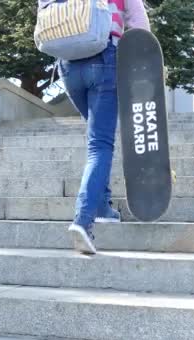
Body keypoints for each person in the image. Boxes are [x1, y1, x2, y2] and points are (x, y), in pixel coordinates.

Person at [44, 0, 151, 254]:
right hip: (105, 57)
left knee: (96, 137)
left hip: (68, 64)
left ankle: (103, 207)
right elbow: (138, 23)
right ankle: (83, 220)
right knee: (100, 145)